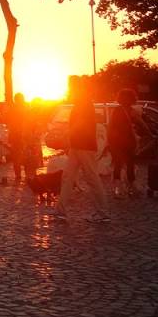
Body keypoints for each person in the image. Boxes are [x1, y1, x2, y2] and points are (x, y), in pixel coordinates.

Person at [55, 81, 110, 223]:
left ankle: (103, 213)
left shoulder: (84, 104)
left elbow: (79, 124)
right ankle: (60, 211)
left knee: (92, 179)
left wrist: (66, 135)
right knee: (67, 177)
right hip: (76, 146)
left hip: (84, 146)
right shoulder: (82, 103)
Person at [107, 88, 148, 198]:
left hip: (117, 142)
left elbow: (110, 126)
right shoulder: (131, 111)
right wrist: (150, 133)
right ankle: (130, 188)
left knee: (119, 164)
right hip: (127, 142)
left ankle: (118, 188)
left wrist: (109, 140)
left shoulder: (116, 111)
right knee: (128, 164)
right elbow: (142, 124)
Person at [7, 93, 32, 183]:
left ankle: (18, 175)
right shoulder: (26, 109)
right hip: (23, 135)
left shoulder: (13, 109)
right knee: (25, 155)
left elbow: (9, 122)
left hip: (16, 136)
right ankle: (26, 174)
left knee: (16, 156)